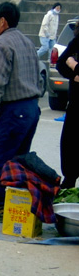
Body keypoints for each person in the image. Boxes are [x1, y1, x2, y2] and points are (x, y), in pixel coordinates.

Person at [0, 2, 41, 221]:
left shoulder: (0, 45)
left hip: (12, 110)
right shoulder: (27, 42)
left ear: (2, 21)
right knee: (18, 161)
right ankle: (18, 204)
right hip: (31, 107)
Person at [56, 19, 79, 189]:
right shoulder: (76, 41)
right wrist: (73, 74)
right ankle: (69, 179)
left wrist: (75, 65)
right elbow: (61, 63)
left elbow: (69, 62)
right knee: (70, 143)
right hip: (76, 103)